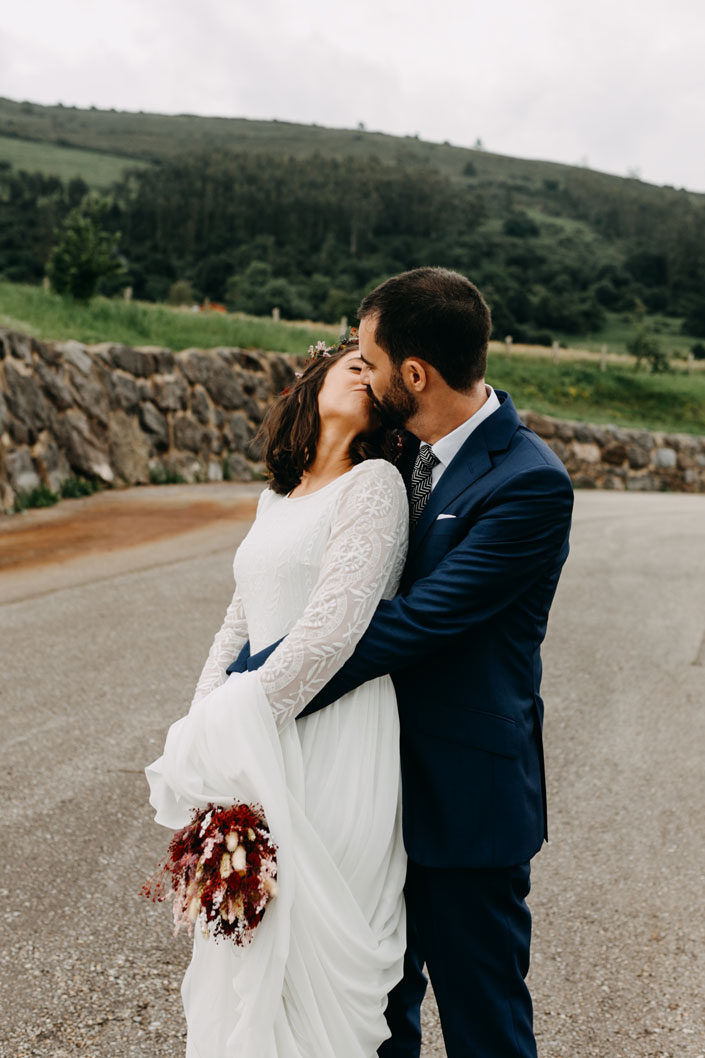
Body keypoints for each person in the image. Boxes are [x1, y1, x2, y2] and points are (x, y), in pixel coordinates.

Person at [229, 267, 575, 1058]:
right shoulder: (392, 455)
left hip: (463, 800)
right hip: (359, 788)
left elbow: (413, 623)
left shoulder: (528, 484)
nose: (363, 371)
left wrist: (251, 692)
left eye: (371, 359)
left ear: (413, 374)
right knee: (372, 1017)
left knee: (483, 1019)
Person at [146, 340, 410, 1057]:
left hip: (331, 729)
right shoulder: (277, 498)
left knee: (306, 945)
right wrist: (201, 725)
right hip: (258, 728)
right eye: (351, 362)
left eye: (374, 372)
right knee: (248, 940)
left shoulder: (375, 484)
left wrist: (237, 720)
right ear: (312, 382)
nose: (363, 372)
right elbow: (236, 625)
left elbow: (332, 629)